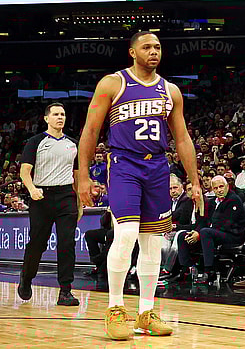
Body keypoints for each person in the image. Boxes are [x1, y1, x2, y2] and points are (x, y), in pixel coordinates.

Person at [77, 31, 202, 340]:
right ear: (132, 52)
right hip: (124, 163)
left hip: (158, 165)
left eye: (158, 47)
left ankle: (146, 312)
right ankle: (116, 308)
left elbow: (182, 137)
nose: (153, 51)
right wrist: (82, 174)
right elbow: (91, 129)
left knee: (152, 241)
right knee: (127, 233)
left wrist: (194, 179)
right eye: (146, 47)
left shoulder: (170, 91)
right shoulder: (112, 83)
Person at [17, 103, 80, 306]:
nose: (60, 117)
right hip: (41, 197)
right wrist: (32, 189)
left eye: (62, 114)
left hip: (66, 195)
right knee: (37, 243)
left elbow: (77, 175)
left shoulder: (73, 143)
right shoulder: (35, 142)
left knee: (67, 243)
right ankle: (26, 279)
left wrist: (79, 201)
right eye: (55, 114)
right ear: (46, 118)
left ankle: (65, 291)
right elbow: (24, 171)